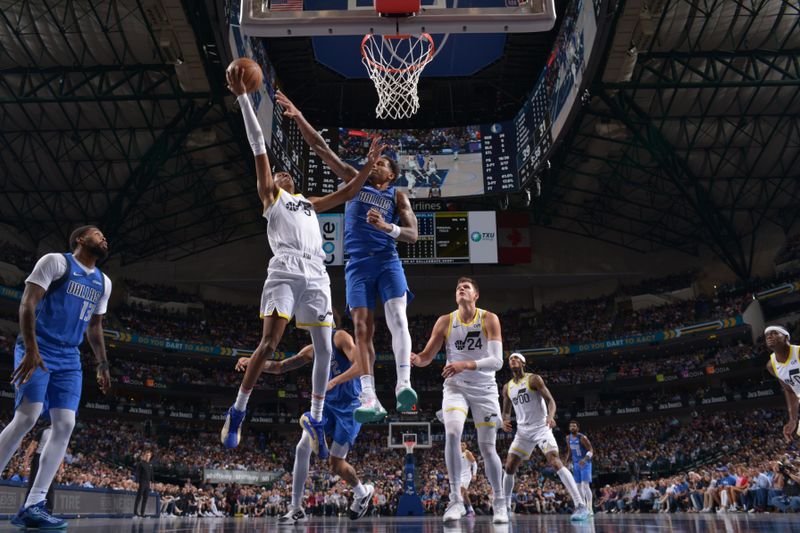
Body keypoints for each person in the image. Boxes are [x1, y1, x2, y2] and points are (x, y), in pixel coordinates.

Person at [220, 67, 384, 455]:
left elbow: (348, 194)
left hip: (317, 271)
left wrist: (367, 164)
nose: (282, 173)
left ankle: (315, 414)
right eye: (278, 173)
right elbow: (257, 142)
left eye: (285, 172)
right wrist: (244, 96)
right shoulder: (270, 197)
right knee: (270, 342)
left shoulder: (309, 204)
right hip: (286, 268)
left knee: (325, 347)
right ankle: (238, 409)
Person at [276, 91, 419, 423]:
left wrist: (388, 227)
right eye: (375, 161)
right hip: (357, 263)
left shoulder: (398, 196)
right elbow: (321, 149)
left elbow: (413, 235)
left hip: (387, 260)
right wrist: (298, 116)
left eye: (381, 163)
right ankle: (369, 395)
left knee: (398, 316)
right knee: (360, 327)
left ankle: (403, 384)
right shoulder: (354, 182)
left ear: (391, 174)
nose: (375, 165)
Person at [0, 225, 112, 529]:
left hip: (69, 356)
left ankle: (34, 504)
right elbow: (27, 304)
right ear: (80, 239)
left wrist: (102, 363)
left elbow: (94, 326)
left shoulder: (104, 282)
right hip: (38, 346)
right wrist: (32, 349)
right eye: (97, 233)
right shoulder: (56, 262)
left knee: (66, 423)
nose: (104, 238)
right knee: (27, 417)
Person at [235, 318, 374, 524]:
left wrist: (334, 381)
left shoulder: (340, 337)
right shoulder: (310, 350)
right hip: (326, 405)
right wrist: (253, 362)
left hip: (350, 407)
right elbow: (280, 366)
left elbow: (361, 365)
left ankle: (362, 492)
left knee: (336, 465)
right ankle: (296, 507)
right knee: (302, 447)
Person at [411, 277, 508, 524]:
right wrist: (415, 359)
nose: (461, 289)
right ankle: (455, 500)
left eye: (466, 287)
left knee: (487, 448)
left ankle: (500, 502)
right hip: (456, 387)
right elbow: (426, 357)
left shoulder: (489, 319)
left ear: (476, 295)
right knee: (453, 433)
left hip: (485, 389)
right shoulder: (445, 321)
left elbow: (497, 362)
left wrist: (464, 364)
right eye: (457, 288)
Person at [500, 353, 590, 521]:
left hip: (541, 427)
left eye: (516, 358)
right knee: (509, 466)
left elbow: (551, 401)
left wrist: (550, 416)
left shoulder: (534, 379)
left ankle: (580, 505)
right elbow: (506, 411)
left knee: (555, 461)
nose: (512, 360)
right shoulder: (507, 387)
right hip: (522, 431)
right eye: (510, 359)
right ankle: (504, 508)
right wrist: (504, 420)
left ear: (523, 363)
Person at [764, 325, 800, 441]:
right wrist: (793, 419)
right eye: (767, 335)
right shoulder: (771, 365)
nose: (769, 336)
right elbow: (790, 390)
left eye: (774, 333)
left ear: (785, 337)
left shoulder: (798, 352)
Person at [22, 424, 55, 513]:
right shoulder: (43, 430)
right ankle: (26, 509)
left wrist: (61, 466)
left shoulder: (60, 432)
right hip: (38, 458)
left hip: (51, 460)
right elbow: (33, 445)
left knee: (49, 486)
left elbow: (61, 450)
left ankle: (48, 511)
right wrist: (26, 460)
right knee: (32, 483)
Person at [566, 420, 595, 514]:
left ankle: (590, 508)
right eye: (571, 426)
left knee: (585, 485)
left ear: (578, 428)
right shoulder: (568, 438)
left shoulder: (582, 438)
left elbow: (591, 450)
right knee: (578, 486)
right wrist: (565, 461)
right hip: (576, 464)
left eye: (574, 426)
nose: (572, 428)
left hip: (585, 463)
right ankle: (583, 507)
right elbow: (569, 451)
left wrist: (585, 459)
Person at [460, 442, 478, 517]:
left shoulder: (467, 453)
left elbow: (474, 464)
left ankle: (460, 508)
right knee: (464, 494)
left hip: (466, 475)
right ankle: (471, 509)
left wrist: (474, 474)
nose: (461, 446)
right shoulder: (457, 453)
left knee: (461, 490)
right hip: (459, 475)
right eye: (460, 444)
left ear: (466, 446)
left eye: (463, 444)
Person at [134, 450, 153, 517]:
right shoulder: (141, 463)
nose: (148, 456)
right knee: (139, 497)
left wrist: (151, 482)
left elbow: (151, 474)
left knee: (145, 498)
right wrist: (137, 482)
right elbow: (137, 473)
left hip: (148, 483)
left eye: (149, 455)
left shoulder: (150, 464)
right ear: (145, 456)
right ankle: (135, 512)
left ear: (150, 456)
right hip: (142, 482)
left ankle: (142, 513)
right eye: (147, 455)